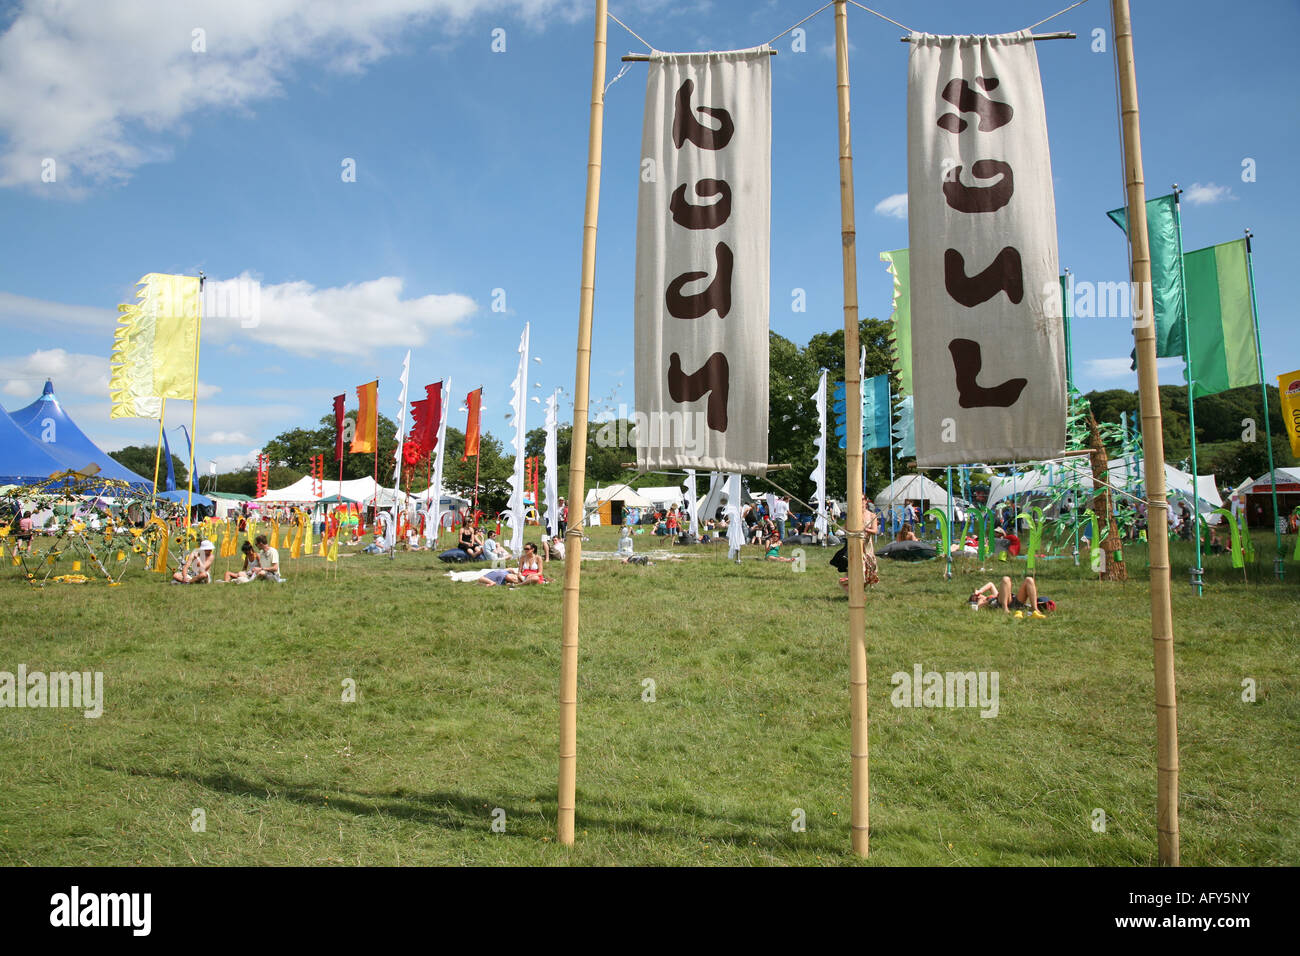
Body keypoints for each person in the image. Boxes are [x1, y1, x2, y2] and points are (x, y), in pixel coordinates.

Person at [969, 575, 1044, 618]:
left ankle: (1034, 608)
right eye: (976, 596)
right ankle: (1005, 609)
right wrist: (982, 600)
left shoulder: (994, 595)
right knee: (1005, 579)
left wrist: (980, 590)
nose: (979, 596)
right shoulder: (983, 601)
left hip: (1012, 600)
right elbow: (977, 607)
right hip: (1001, 604)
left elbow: (990, 584)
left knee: (1029, 579)